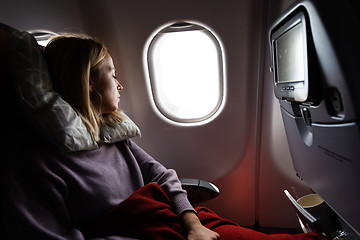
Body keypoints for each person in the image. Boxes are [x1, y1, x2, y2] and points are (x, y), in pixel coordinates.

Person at [2, 29, 329, 240]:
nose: (119, 84)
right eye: (111, 74)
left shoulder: (111, 133)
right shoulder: (34, 160)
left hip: (178, 223)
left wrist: (192, 224)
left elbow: (161, 174)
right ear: (87, 82)